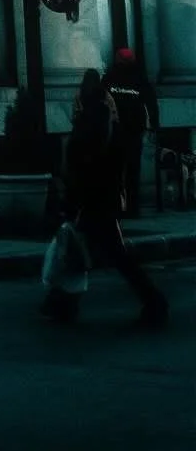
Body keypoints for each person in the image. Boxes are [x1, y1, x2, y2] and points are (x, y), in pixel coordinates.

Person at [48, 68, 168, 328]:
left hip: (92, 201)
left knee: (97, 254)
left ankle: (154, 301)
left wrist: (71, 200)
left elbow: (79, 166)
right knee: (82, 252)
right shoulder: (110, 123)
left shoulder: (88, 124)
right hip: (104, 199)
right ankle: (61, 302)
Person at [101, 46, 160, 219]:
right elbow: (151, 101)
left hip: (117, 131)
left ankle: (118, 206)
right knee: (133, 170)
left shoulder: (110, 77)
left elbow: (101, 99)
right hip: (134, 129)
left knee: (116, 170)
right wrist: (155, 125)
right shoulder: (139, 78)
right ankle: (133, 207)